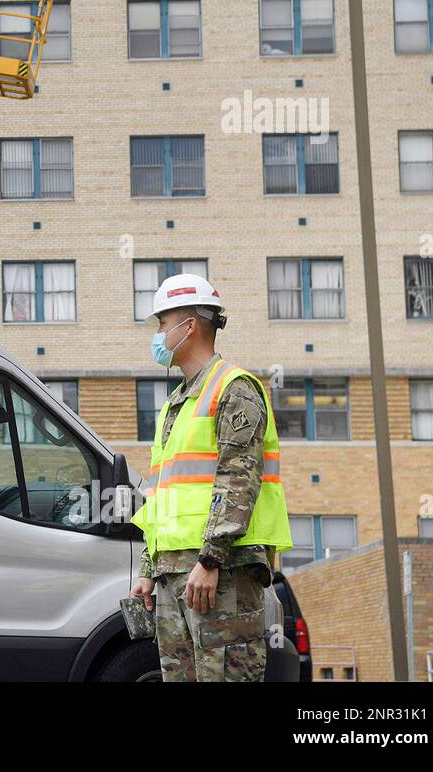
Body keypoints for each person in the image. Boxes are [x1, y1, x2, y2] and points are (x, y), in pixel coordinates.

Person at [129, 274, 292, 682]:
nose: (160, 335)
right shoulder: (175, 404)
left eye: (163, 324)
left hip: (221, 572)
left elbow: (237, 480)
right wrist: (150, 569)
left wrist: (210, 558)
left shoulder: (234, 389)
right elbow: (162, 497)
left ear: (190, 325)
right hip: (175, 573)